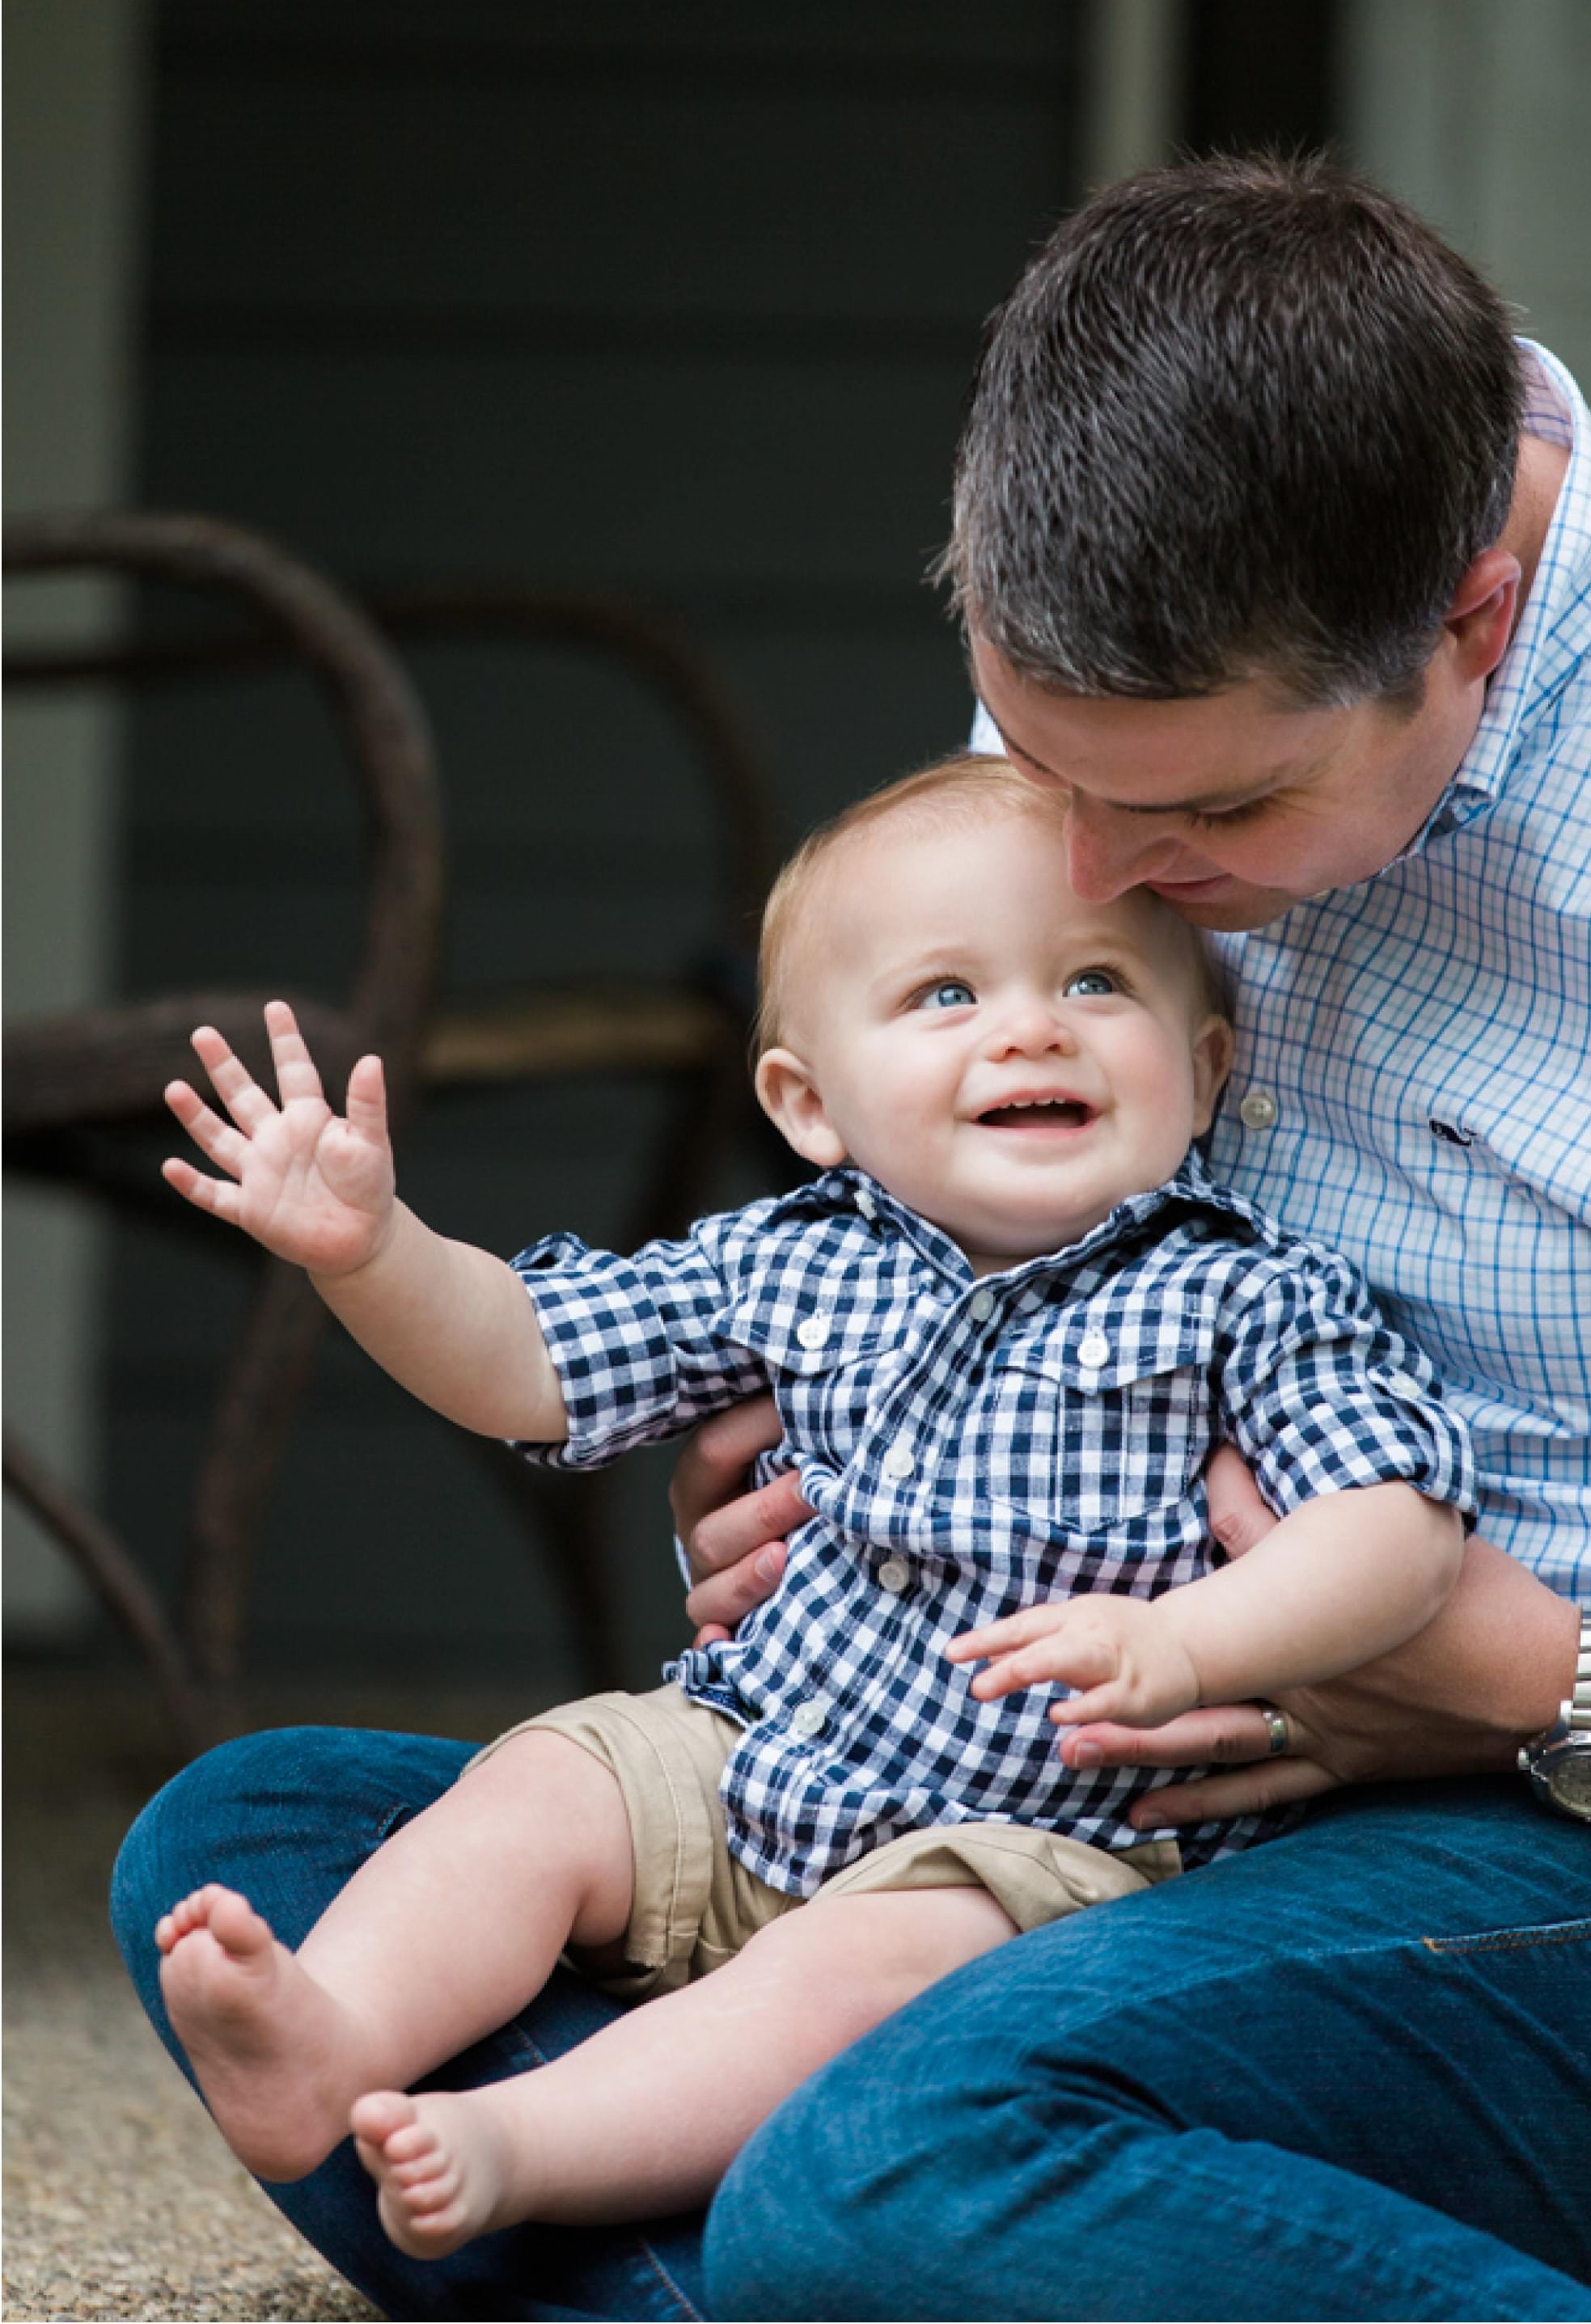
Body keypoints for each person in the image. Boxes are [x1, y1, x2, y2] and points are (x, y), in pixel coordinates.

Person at [112, 154, 1591, 2321]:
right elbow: (797, 1263)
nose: (1095, 872)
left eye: (1208, 819)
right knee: (248, 1851)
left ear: (1468, 631)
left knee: (873, 2170)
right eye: (1032, 753)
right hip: (936, 1743)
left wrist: (1518, 1680)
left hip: (1539, 1837)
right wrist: (801, 1495)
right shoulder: (1146, 644)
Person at [144, 752, 1473, 2263]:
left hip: (1026, 1851)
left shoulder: (1247, 1293)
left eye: (1097, 981)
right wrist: (371, 1253)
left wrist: (1196, 1643)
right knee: (543, 1786)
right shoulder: (789, 1259)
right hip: (755, 1753)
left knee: (861, 1972)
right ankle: (334, 2036)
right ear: (809, 1102)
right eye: (946, 996)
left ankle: (524, 2142)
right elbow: (530, 1361)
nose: (1032, 1024)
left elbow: (1396, 1527)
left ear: (1209, 1065)